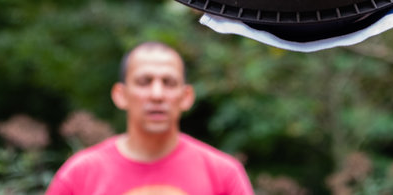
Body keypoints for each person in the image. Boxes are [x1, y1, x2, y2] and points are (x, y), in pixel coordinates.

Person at [45, 41, 254, 194]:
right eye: (144, 82)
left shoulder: (223, 174)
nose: (157, 94)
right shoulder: (80, 174)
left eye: (169, 83)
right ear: (121, 95)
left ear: (186, 96)